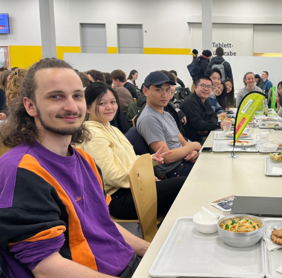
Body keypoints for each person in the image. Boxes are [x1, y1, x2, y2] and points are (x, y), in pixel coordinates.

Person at [0, 58, 148, 277]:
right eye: (56, 96)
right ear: (30, 106)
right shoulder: (22, 170)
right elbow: (46, 267)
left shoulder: (85, 160)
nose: (71, 106)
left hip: (129, 264)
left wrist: (152, 251)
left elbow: (103, 224)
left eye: (77, 95)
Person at [80, 82, 185, 220]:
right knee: (181, 185)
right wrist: (144, 179)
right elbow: (110, 175)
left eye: (112, 102)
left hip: (131, 189)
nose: (109, 107)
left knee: (180, 189)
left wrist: (151, 160)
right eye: (102, 103)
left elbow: (128, 160)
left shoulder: (110, 128)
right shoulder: (92, 135)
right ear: (87, 108)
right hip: (118, 198)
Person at [137, 71, 201, 179]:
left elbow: (183, 142)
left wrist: (193, 152)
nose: (164, 94)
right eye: (158, 89)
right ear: (145, 91)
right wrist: (196, 146)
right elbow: (167, 157)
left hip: (183, 162)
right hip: (174, 171)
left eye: (167, 89)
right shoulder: (149, 118)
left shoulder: (166, 114)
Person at [181, 77, 228, 143]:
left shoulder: (205, 100)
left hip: (204, 136)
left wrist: (207, 126)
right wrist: (217, 125)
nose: (206, 89)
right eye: (203, 86)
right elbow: (198, 124)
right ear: (195, 87)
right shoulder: (190, 103)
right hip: (192, 142)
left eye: (209, 86)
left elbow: (213, 116)